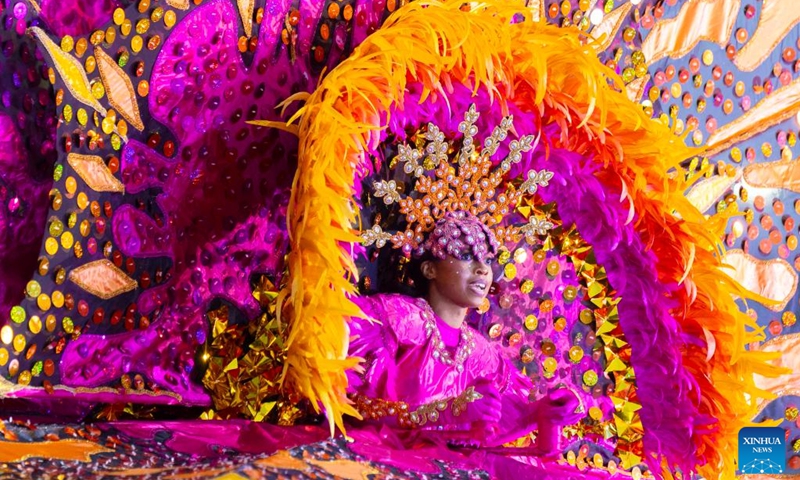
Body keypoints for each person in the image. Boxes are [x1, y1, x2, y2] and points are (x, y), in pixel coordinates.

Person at [346, 211, 582, 454]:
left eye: (488, 260)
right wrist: (448, 411)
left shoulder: (485, 355)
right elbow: (356, 408)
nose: (482, 269)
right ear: (429, 270)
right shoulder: (396, 319)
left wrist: (542, 412)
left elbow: (498, 431)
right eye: (467, 256)